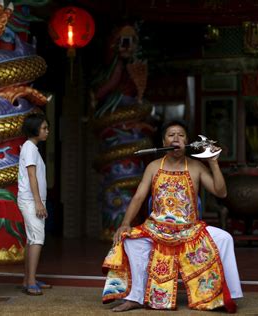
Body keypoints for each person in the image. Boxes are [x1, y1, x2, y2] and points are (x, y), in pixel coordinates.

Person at [102, 120, 243, 312]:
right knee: (128, 241)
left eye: (181, 135)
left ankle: (227, 296)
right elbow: (139, 197)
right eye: (171, 135)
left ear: (187, 141)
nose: (176, 139)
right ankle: (134, 297)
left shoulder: (196, 167)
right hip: (156, 229)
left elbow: (221, 192)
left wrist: (213, 163)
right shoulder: (153, 166)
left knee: (225, 238)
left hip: (189, 230)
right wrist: (125, 223)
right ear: (163, 141)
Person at [18, 113, 51, 295]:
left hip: (32, 199)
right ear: (34, 129)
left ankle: (28, 279)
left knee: (32, 239)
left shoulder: (31, 148)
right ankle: (30, 281)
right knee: (37, 239)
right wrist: (39, 203)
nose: (47, 131)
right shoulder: (30, 148)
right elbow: (32, 176)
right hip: (31, 200)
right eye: (44, 128)